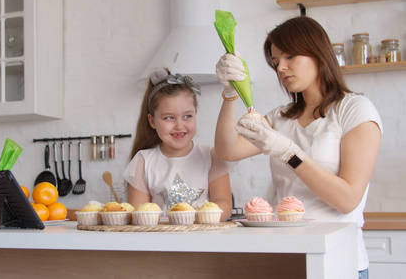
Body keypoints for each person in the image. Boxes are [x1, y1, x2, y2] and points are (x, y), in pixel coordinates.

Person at [214, 16, 382, 278]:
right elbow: (228, 150)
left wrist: (288, 153)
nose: (281, 67)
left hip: (336, 262)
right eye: (276, 61)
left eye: (290, 56)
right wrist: (229, 94)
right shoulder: (281, 117)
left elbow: (347, 199)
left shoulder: (355, 110)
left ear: (318, 53)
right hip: (282, 258)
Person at [125, 68, 232, 220]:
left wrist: (193, 217)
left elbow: (224, 204)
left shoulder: (212, 156)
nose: (179, 125)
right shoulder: (143, 161)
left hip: (203, 239)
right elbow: (139, 214)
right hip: (160, 241)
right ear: (152, 121)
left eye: (187, 116)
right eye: (169, 118)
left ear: (196, 114)